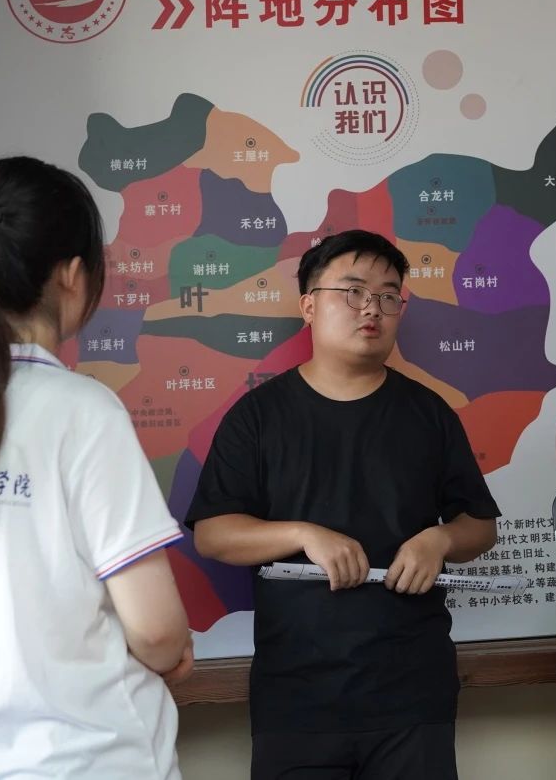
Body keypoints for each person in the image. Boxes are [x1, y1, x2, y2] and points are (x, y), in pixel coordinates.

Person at [0, 156, 193, 779]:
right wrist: (172, 648)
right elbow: (157, 630)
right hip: (95, 760)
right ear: (71, 274)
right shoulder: (83, 409)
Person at [187, 229, 500, 780]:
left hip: (412, 691)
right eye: (353, 292)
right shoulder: (257, 417)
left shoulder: (429, 414)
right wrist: (303, 534)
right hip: (296, 696)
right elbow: (213, 534)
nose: (371, 308)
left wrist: (441, 539)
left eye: (388, 296)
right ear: (309, 306)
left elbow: (480, 525)